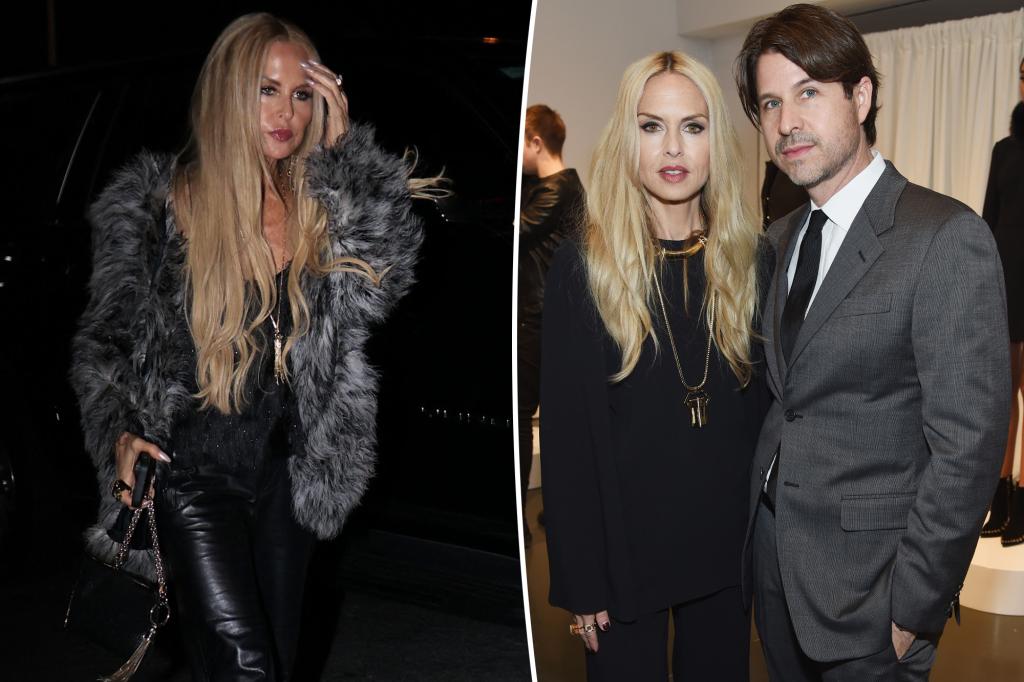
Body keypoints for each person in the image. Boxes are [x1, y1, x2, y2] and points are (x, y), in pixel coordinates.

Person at [70, 13, 428, 680]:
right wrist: (118, 432)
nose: (286, 113)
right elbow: (108, 341)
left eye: (303, 94)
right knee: (248, 669)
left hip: (289, 473)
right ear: (229, 92)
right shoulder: (160, 204)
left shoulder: (320, 198)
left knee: (275, 665)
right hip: (192, 471)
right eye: (267, 90)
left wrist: (348, 163)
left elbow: (385, 284)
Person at [734, 4, 1009, 680]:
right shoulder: (778, 241)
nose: (786, 122)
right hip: (774, 571)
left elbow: (968, 444)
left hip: (873, 596)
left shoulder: (944, 237)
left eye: (807, 93)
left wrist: (914, 606)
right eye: (770, 103)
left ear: (860, 96)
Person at [540, 51, 768, 681]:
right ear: (627, 137)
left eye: (693, 126)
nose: (673, 147)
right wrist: (581, 578)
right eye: (651, 126)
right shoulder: (584, 268)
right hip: (624, 562)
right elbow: (567, 440)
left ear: (716, 141)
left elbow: (763, 420)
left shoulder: (750, 263)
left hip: (725, 550)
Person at [517, 104, 584, 547]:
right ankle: (559, 511)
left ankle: (527, 516)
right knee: (553, 418)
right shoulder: (556, 186)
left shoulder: (557, 190)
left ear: (536, 143)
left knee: (526, 416)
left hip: (538, 321)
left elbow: (516, 232)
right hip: (549, 320)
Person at [981, 61, 1024, 547]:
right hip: (1010, 277)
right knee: (1004, 391)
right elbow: (988, 220)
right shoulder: (1004, 150)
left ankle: (1023, 505)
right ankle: (1001, 498)